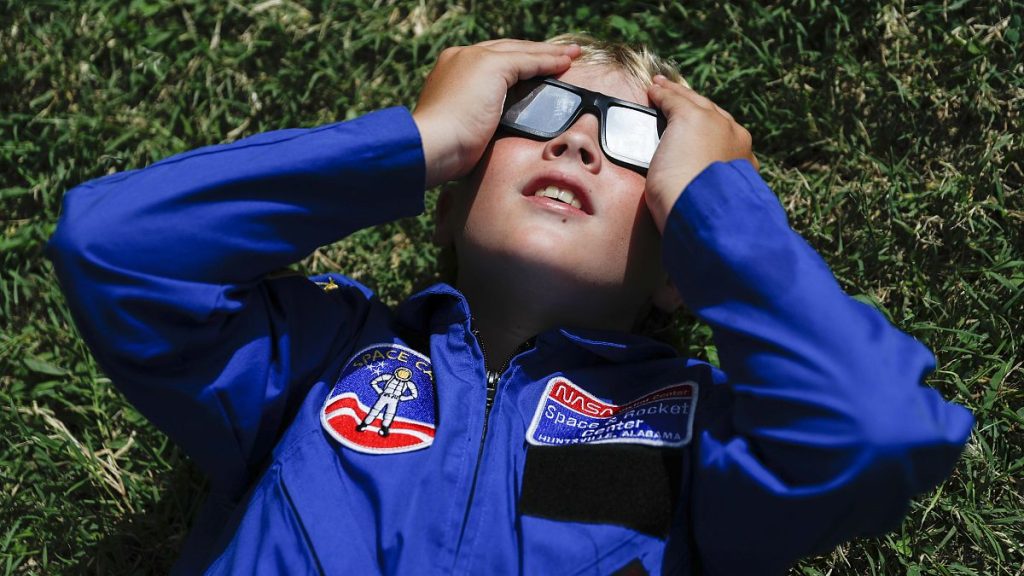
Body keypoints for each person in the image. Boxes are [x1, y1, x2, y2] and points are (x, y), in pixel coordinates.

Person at [48, 34, 973, 575]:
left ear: (675, 265)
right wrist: (415, 142)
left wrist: (715, 210)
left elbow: (877, 428)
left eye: (636, 144)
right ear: (450, 201)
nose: (575, 144)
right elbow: (113, 251)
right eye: (532, 114)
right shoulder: (313, 363)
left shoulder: (691, 445)